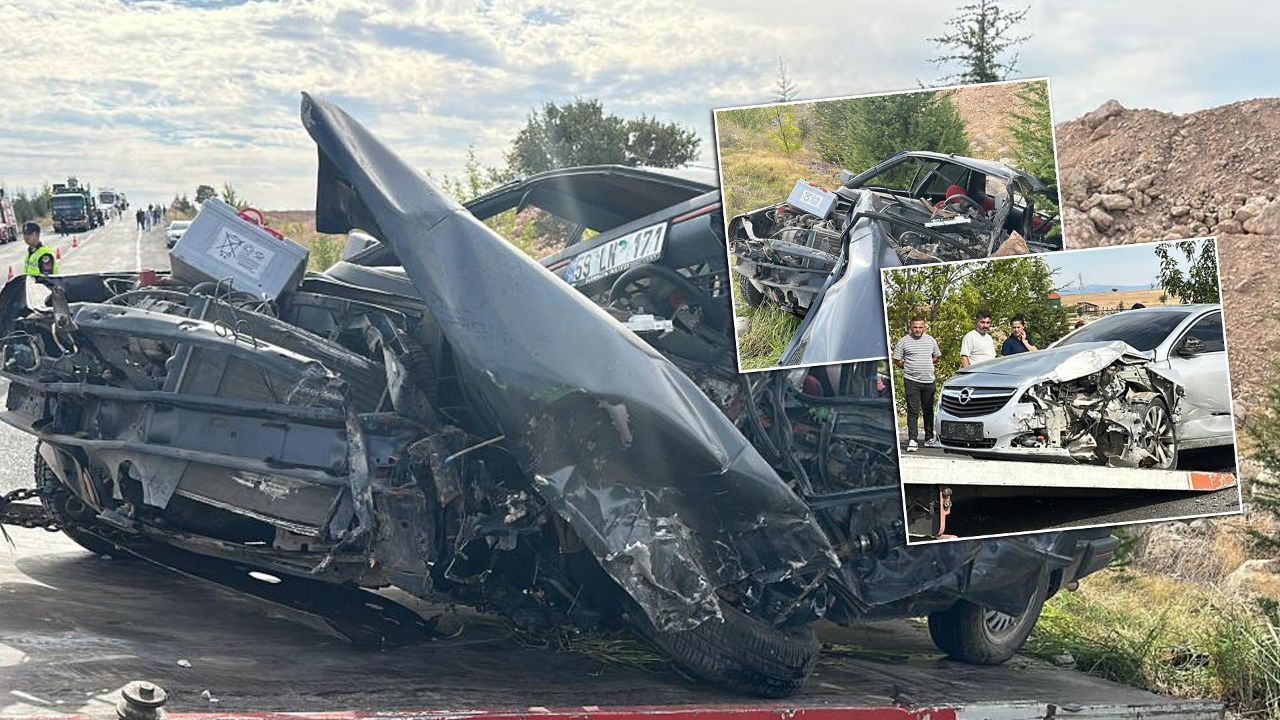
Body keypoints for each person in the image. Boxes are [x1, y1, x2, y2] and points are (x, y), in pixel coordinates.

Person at [892, 316, 942, 452]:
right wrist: (908, 367)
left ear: (924, 327)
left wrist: (927, 363)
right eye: (915, 327)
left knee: (928, 410)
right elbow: (896, 359)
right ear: (911, 327)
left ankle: (929, 438)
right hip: (912, 380)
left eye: (920, 327)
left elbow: (937, 356)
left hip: (929, 380)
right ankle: (913, 439)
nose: (917, 329)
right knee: (913, 411)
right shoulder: (903, 341)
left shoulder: (930, 340)